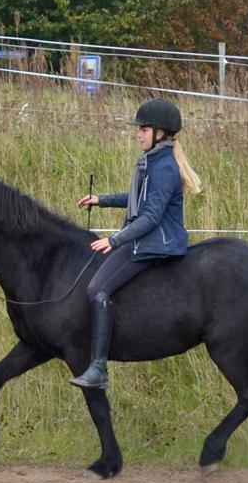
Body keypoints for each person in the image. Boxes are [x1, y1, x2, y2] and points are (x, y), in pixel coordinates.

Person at [70, 98, 202, 388]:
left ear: (160, 133)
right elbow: (138, 201)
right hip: (147, 240)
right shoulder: (154, 161)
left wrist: (114, 240)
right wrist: (100, 200)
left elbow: (151, 217)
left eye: (143, 129)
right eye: (138, 129)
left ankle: (98, 368)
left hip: (155, 244)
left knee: (97, 288)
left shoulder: (164, 167)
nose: (137, 134)